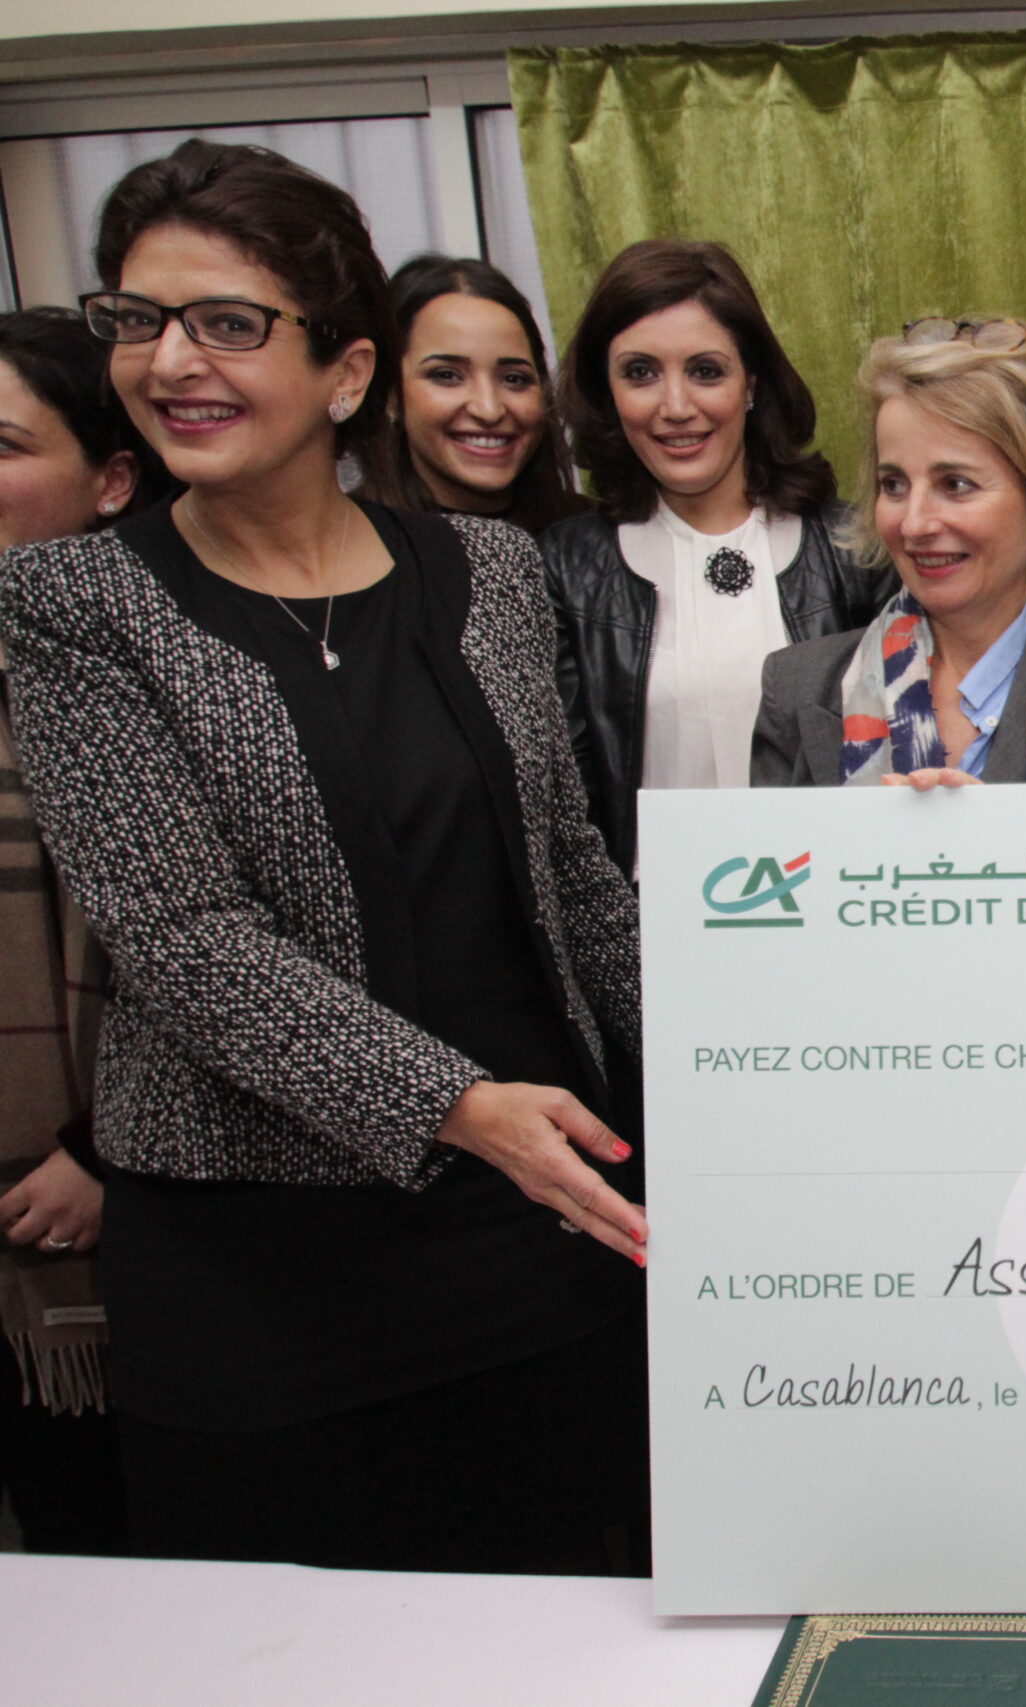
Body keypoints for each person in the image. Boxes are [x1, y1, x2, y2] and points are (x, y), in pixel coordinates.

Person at [0, 139, 649, 1573]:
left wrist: (753, 1072)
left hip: (531, 1230)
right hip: (256, 1275)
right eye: (138, 319)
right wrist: (459, 1105)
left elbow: (573, 875)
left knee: (560, 1625)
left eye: (227, 322)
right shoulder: (70, 603)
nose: (172, 359)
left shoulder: (490, 570)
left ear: (346, 372)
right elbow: (184, 941)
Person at [546, 240, 891, 872]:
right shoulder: (564, 569)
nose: (676, 407)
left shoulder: (856, 546)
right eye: (640, 373)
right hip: (649, 921)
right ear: (607, 391)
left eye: (705, 371)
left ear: (751, 383)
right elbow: (567, 814)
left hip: (831, 906)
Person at [0, 306, 172, 1556]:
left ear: (111, 481)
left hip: (101, 1203)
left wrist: (98, 1149)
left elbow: (197, 945)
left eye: (5, 446)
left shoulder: (154, 668)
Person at [753, 317, 1026, 787]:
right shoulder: (797, 689)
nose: (914, 523)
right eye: (893, 484)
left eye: (955, 484)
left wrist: (987, 830)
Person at [356, 253, 587, 533]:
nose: (489, 410)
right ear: (390, 394)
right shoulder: (345, 543)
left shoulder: (601, 540)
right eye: (447, 375)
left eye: (513, 378)